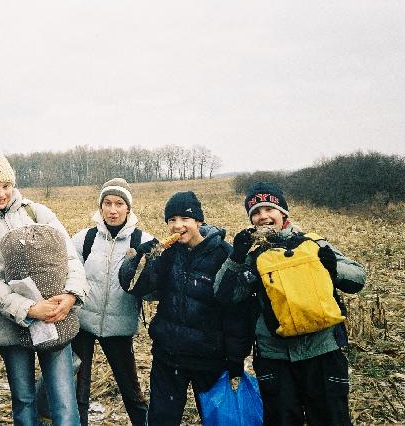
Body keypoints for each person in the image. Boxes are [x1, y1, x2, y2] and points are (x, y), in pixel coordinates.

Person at [214, 182, 366, 426]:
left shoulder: (313, 244)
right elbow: (224, 295)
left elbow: (358, 278)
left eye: (269, 209)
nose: (263, 217)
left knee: (331, 419)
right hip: (275, 357)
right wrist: (236, 257)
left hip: (322, 351)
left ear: (283, 213)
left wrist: (333, 269)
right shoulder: (252, 256)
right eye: (256, 212)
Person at [0, 151, 88, 426]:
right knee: (23, 401)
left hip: (56, 317)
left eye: (5, 185)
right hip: (12, 324)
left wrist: (70, 296)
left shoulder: (37, 212)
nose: (0, 193)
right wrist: (30, 309)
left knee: (64, 401)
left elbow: (71, 259)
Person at [118, 191, 254, 426]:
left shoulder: (224, 253)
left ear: (198, 221)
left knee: (216, 420)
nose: (177, 226)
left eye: (184, 219)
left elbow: (237, 310)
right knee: (162, 420)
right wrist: (141, 257)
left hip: (209, 359)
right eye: (172, 220)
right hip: (168, 357)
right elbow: (135, 287)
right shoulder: (167, 253)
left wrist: (236, 357)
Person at [71, 178, 150, 426]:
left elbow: (152, 287)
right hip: (83, 324)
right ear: (100, 206)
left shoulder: (143, 241)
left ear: (128, 208)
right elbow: (69, 274)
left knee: (130, 389)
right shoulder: (85, 239)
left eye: (119, 203)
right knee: (78, 389)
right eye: (107, 203)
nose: (112, 210)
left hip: (119, 327)